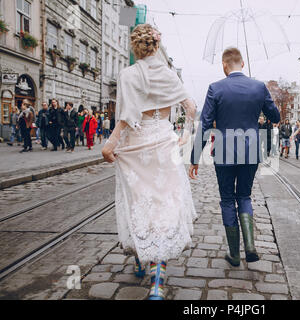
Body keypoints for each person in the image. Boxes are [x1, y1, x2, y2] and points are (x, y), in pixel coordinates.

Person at [101, 24, 197, 300]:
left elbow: (127, 115)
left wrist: (111, 143)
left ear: (135, 47)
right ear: (156, 46)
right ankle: (158, 280)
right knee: (164, 204)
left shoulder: (128, 74)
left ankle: (140, 257)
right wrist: (185, 134)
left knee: (139, 202)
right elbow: (190, 107)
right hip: (164, 143)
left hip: (137, 146)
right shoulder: (168, 75)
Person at [189, 47, 280, 271]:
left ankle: (234, 252)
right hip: (250, 152)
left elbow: (206, 123)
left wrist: (194, 158)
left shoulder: (216, 88)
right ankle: (250, 245)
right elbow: (275, 116)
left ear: (224, 65)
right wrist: (259, 107)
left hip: (224, 151)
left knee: (228, 199)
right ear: (243, 64)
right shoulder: (259, 87)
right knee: (245, 196)